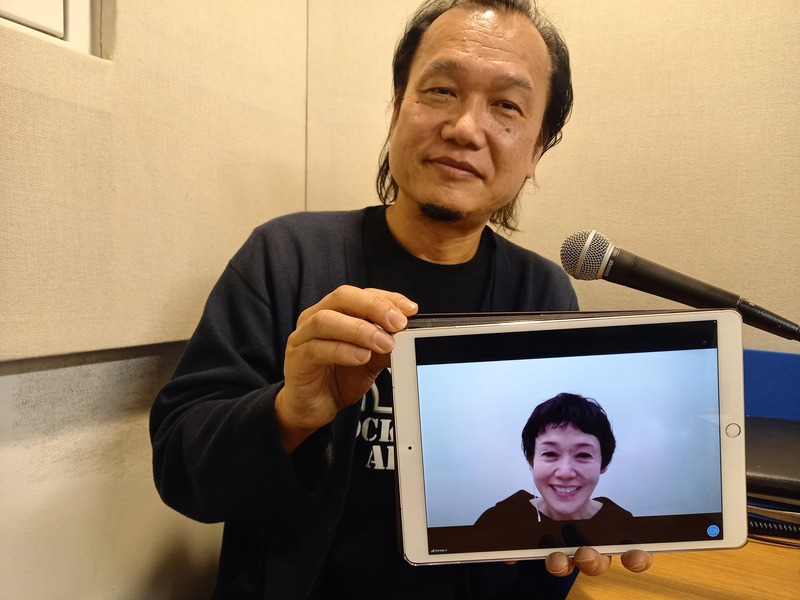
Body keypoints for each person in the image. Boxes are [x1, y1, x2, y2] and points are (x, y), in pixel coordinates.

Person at [149, 1, 652, 598]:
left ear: (537, 150)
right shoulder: (287, 257)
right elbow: (180, 472)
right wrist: (290, 412)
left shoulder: (540, 293)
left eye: (506, 106)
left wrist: (575, 527)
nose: (465, 128)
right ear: (397, 108)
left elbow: (543, 502)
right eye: (441, 91)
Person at [475, 393, 637, 550]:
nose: (564, 473)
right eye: (550, 454)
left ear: (603, 464)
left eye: (583, 455)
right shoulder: (499, 519)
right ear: (532, 461)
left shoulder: (623, 525)